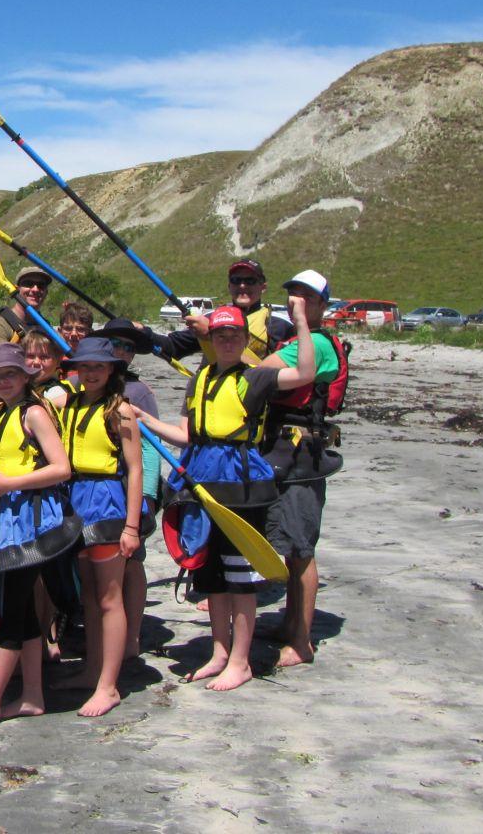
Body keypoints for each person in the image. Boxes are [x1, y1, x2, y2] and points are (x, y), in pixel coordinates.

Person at [132, 300, 315, 692]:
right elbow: (188, 435)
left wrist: (299, 322)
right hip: (202, 481)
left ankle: (241, 661)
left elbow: (305, 372)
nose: (228, 341)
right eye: (220, 335)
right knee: (211, 577)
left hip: (241, 486)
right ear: (211, 340)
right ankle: (219, 652)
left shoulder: (259, 377)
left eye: (234, 334)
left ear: (245, 339)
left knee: (240, 579)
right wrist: (147, 421)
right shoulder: (199, 380)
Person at [0, 344, 77, 736]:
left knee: (12, 608)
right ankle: (33, 695)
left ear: (26, 377)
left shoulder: (35, 413)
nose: (3, 381)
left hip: (32, 518)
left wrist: (11, 484)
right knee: (19, 609)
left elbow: (62, 468)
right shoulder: (5, 412)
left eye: (10, 374)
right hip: (7, 513)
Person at [258, 269, 348, 669]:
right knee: (290, 545)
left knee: (300, 548)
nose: (297, 301)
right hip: (286, 448)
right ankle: (291, 622)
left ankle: (301, 640)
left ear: (322, 305)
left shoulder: (316, 345)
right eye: (292, 294)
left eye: (306, 297)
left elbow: (263, 370)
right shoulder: (302, 341)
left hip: (300, 454)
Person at [53, 337, 144, 718]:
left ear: (111, 371)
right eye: (84, 366)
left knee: (109, 598)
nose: (91, 372)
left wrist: (132, 527)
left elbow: (136, 469)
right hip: (76, 501)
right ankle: (92, 671)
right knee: (88, 596)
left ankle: (108, 686)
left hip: (106, 502)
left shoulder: (120, 410)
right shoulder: (70, 404)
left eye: (98, 366)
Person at [89, 318, 163, 657]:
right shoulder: (87, 389)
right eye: (117, 345)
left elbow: (147, 451)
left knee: (132, 565)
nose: (124, 351)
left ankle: (132, 635)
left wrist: (146, 498)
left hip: (127, 494)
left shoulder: (138, 393)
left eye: (130, 348)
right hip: (95, 497)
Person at [141, 259, 294, 369]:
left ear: (263, 287)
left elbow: (279, 375)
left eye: (250, 281)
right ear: (229, 286)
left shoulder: (281, 326)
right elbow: (172, 347)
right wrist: (141, 332)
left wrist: (211, 334)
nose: (242, 285)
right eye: (236, 280)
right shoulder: (211, 318)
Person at [0, 266, 51, 348]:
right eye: (28, 284)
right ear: (16, 289)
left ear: (46, 292)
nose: (35, 289)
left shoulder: (47, 328)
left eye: (41, 285)